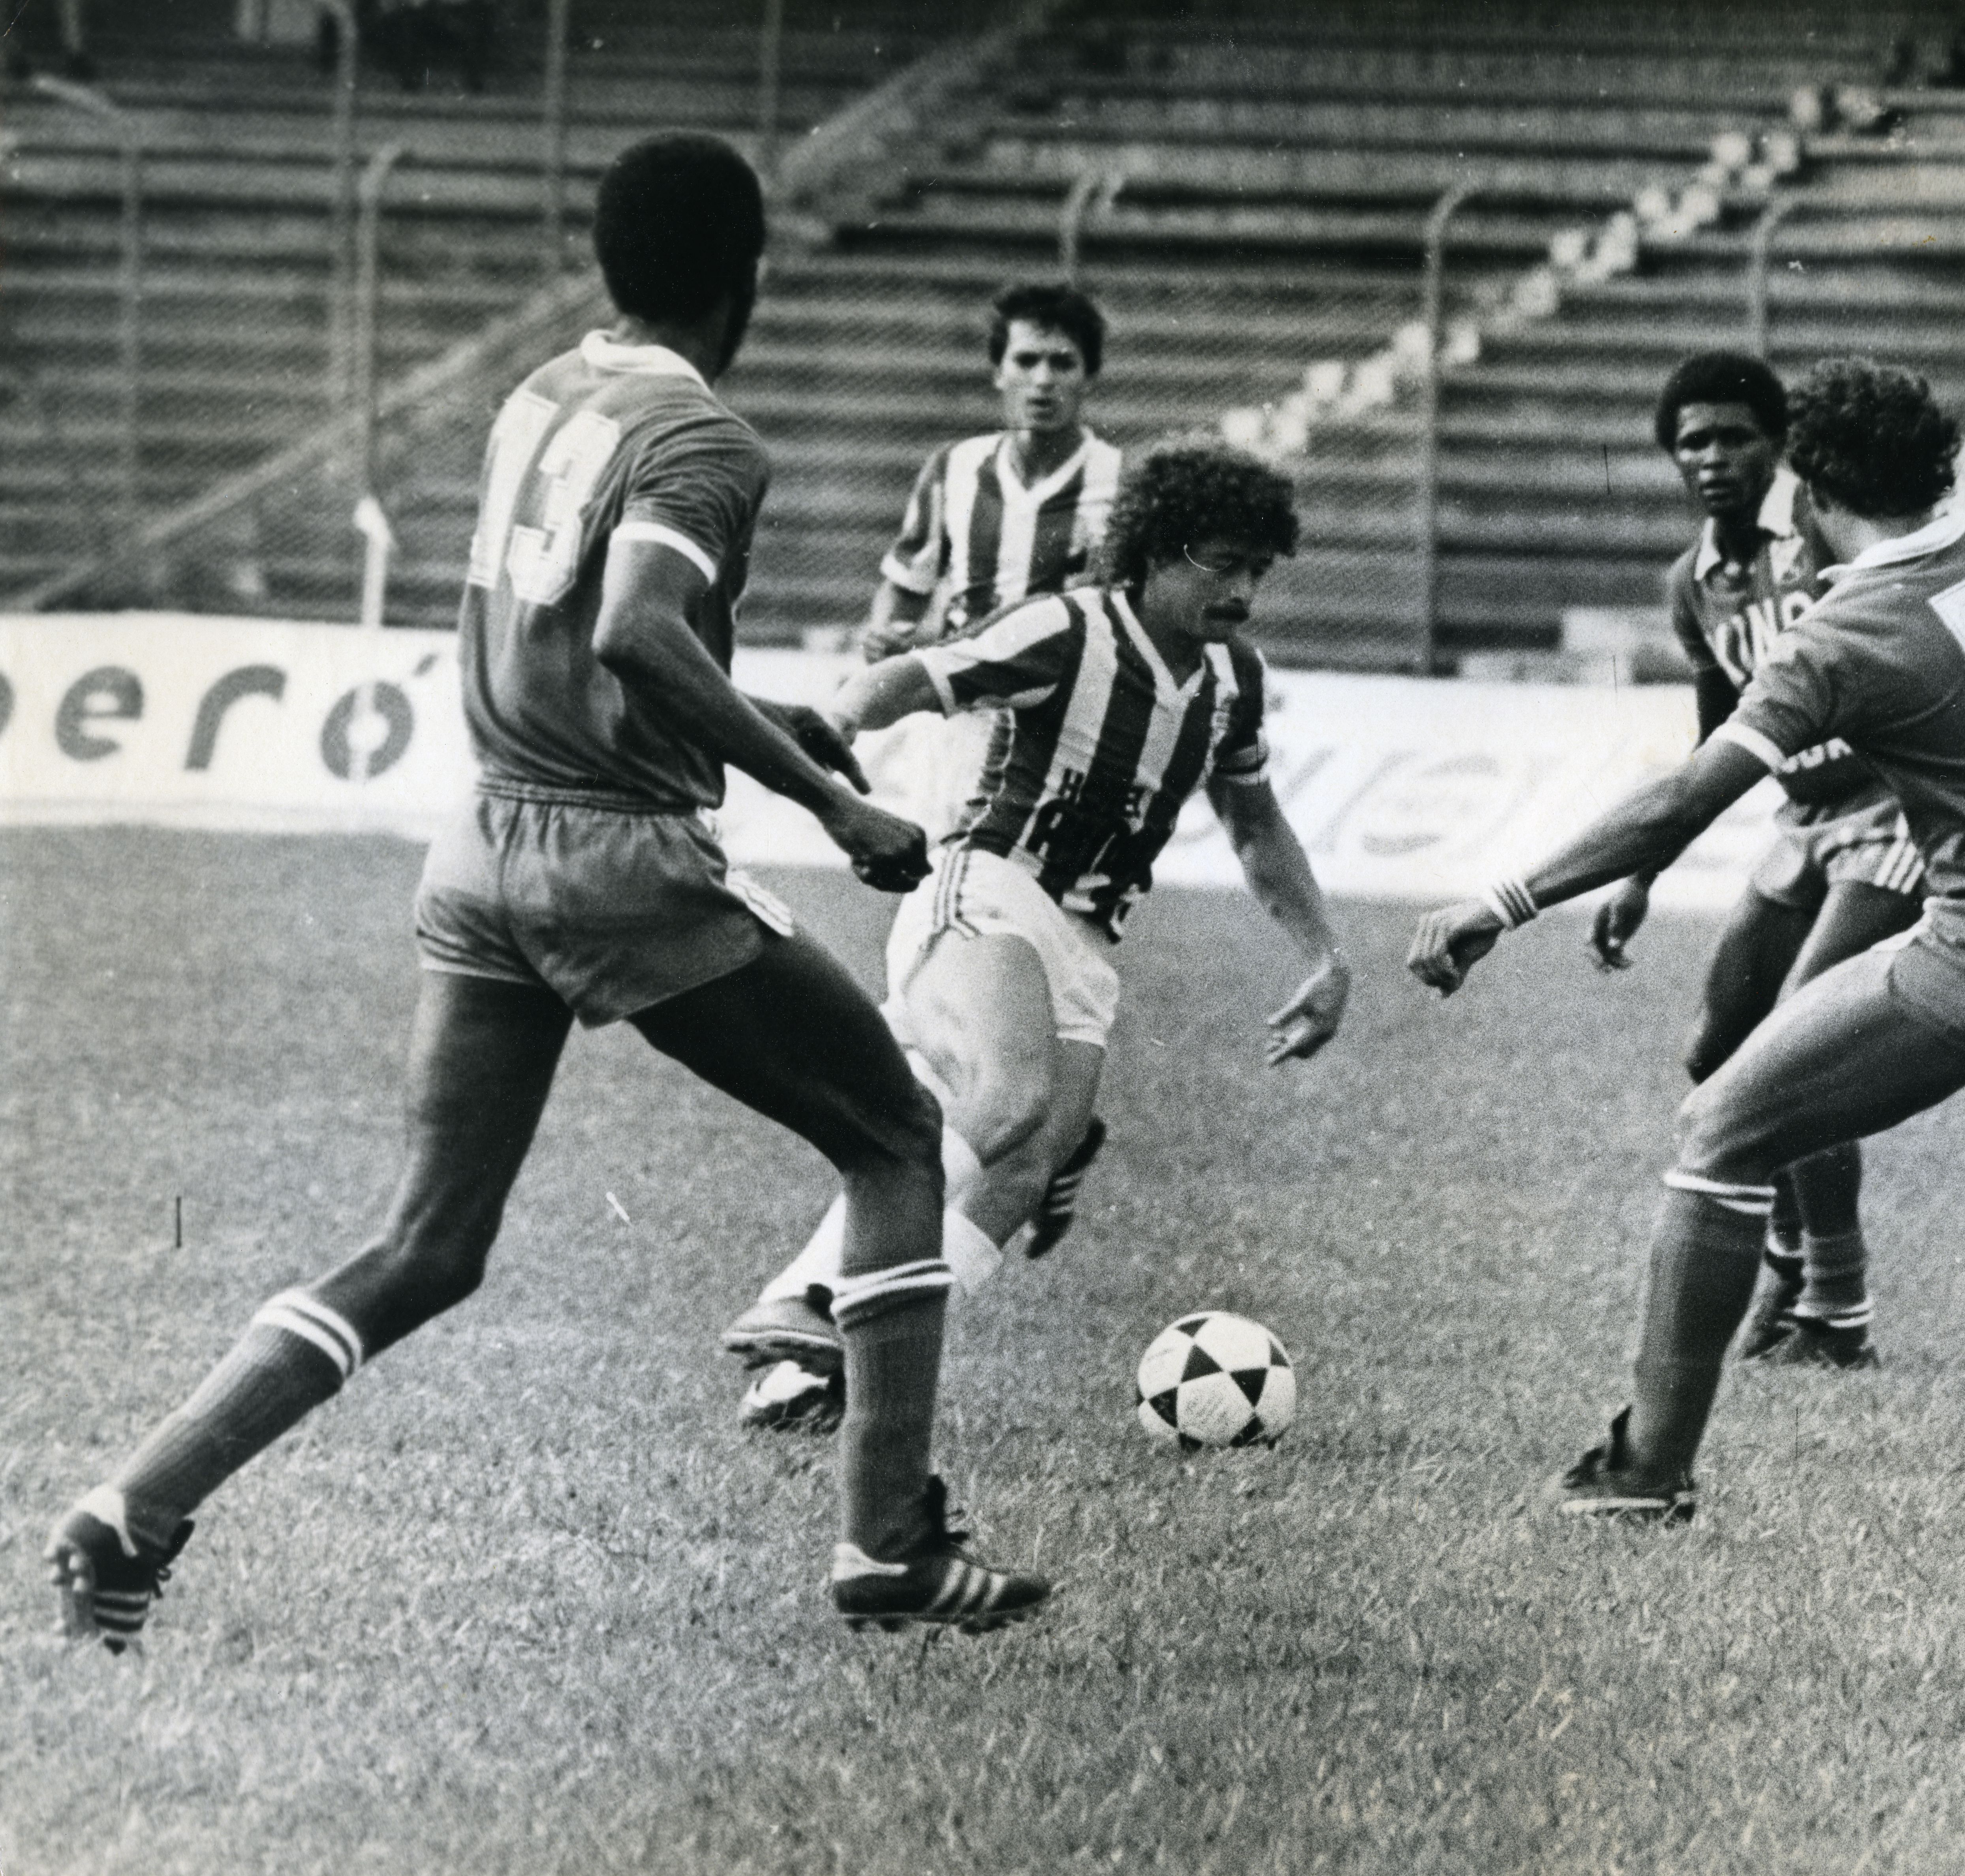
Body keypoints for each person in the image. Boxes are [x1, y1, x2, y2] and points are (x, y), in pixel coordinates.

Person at [45, 133, 1051, 1648]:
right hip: (616, 861)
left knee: (429, 1243)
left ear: (604, 261)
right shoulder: (706, 437)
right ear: (749, 274)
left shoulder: (545, 392)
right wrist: (831, 801)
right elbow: (638, 634)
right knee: (897, 1136)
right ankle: (888, 1544)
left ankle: (134, 1509)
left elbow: (585, 635)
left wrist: (762, 721)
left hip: (482, 846)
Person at [1409, 357, 1965, 1529]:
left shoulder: (1841, 628)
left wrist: (1504, 899)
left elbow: (1682, 801)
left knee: (1719, 1128)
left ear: (1812, 491)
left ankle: (1646, 1467)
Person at [722, 437, 1351, 1435]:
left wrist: (1323, 953)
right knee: (1009, 1099)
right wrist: (837, 729)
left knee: (1029, 1163)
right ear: (1157, 551)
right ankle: (806, 1298)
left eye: (1257, 570)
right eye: (1221, 564)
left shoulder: (1234, 677)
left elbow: (1256, 823)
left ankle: (822, 1371)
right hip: (989, 887)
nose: (1241, 591)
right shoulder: (1069, 627)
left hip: (1088, 941)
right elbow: (916, 676)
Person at [1586, 352, 1927, 1370]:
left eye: (1736, 437)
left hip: (1891, 816)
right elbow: (1717, 734)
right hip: (1804, 824)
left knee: (1802, 1048)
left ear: (1779, 449)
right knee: (1714, 1050)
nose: (1714, 458)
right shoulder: (1691, 582)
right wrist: (1643, 871)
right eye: (1693, 442)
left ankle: (1838, 1308)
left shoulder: (1817, 546)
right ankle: (1785, 1244)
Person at [852, 280, 1126, 1275]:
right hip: (959, 739)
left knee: (1027, 943)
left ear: (1090, 376)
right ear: (998, 371)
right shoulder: (954, 472)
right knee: (950, 942)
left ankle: (1017, 1129)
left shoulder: (1119, 489)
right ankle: (1037, 1127)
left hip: (1061, 750)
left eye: (1063, 362)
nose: (1043, 380)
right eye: (1026, 360)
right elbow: (901, 591)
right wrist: (884, 646)